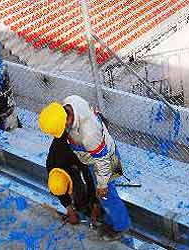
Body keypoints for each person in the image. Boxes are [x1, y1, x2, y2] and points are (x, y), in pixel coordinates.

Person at [39, 95, 131, 241]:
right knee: (102, 194)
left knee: (108, 196)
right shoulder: (69, 102)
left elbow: (103, 162)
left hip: (105, 158)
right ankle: (109, 218)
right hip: (90, 157)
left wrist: (101, 186)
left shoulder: (89, 134)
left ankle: (120, 226)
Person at [46, 133, 101, 225]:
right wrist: (69, 209)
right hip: (64, 145)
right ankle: (83, 204)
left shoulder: (77, 156)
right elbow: (60, 190)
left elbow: (90, 180)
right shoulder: (51, 168)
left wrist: (96, 204)